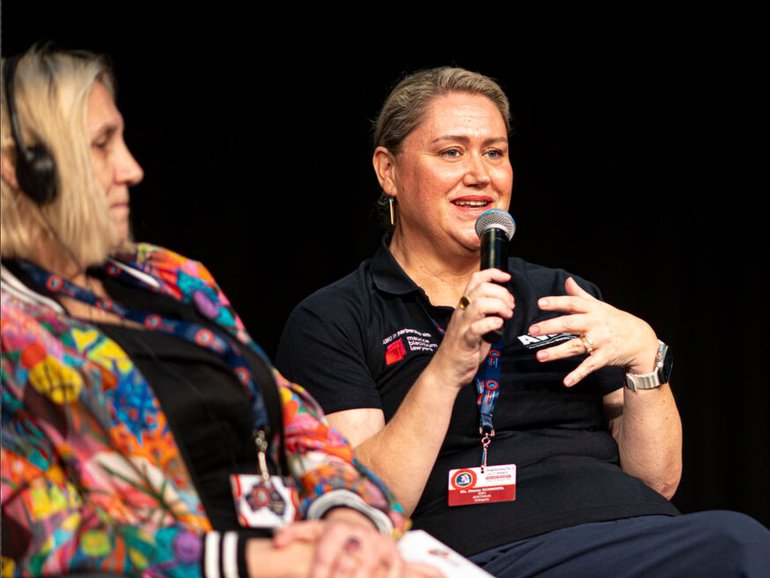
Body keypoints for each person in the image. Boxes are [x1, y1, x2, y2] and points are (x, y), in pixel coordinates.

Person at [275, 66, 770, 576]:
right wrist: (446, 369)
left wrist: (646, 357)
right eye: (451, 152)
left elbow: (658, 482)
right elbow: (363, 504)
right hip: (483, 552)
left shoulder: (563, 293)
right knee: (741, 547)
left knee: (740, 541)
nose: (481, 174)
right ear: (388, 171)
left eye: (494, 152)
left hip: (633, 531)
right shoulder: (334, 317)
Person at [0, 45, 444, 578]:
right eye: (100, 145)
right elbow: (45, 543)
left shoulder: (169, 276)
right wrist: (253, 560)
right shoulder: (12, 327)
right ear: (24, 169)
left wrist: (345, 513)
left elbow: (294, 417)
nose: (131, 168)